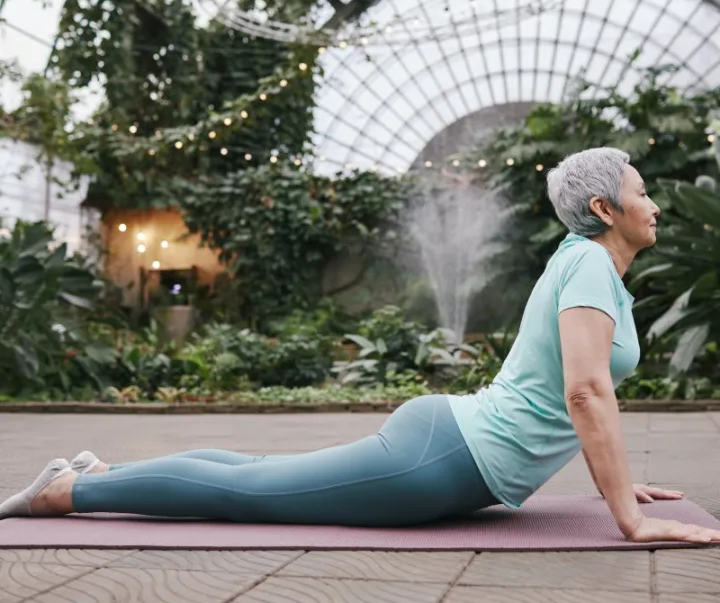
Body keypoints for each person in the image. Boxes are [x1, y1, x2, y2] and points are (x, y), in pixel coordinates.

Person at [2, 147, 720, 544]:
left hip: (450, 444)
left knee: (253, 468)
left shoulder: (592, 269)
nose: (654, 203)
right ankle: (70, 492)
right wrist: (627, 517)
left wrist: (618, 482)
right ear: (604, 209)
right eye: (642, 190)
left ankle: (105, 466)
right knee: (246, 492)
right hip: (442, 459)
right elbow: (586, 392)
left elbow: (582, 392)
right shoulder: (590, 263)